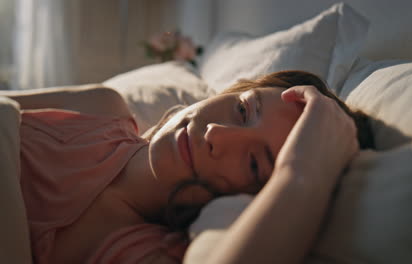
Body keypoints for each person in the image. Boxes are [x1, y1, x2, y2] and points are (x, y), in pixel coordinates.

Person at [2, 70, 373, 264]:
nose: (216, 133)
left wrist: (304, 173)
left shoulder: (149, 253)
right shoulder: (101, 107)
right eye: (242, 110)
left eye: (255, 163)